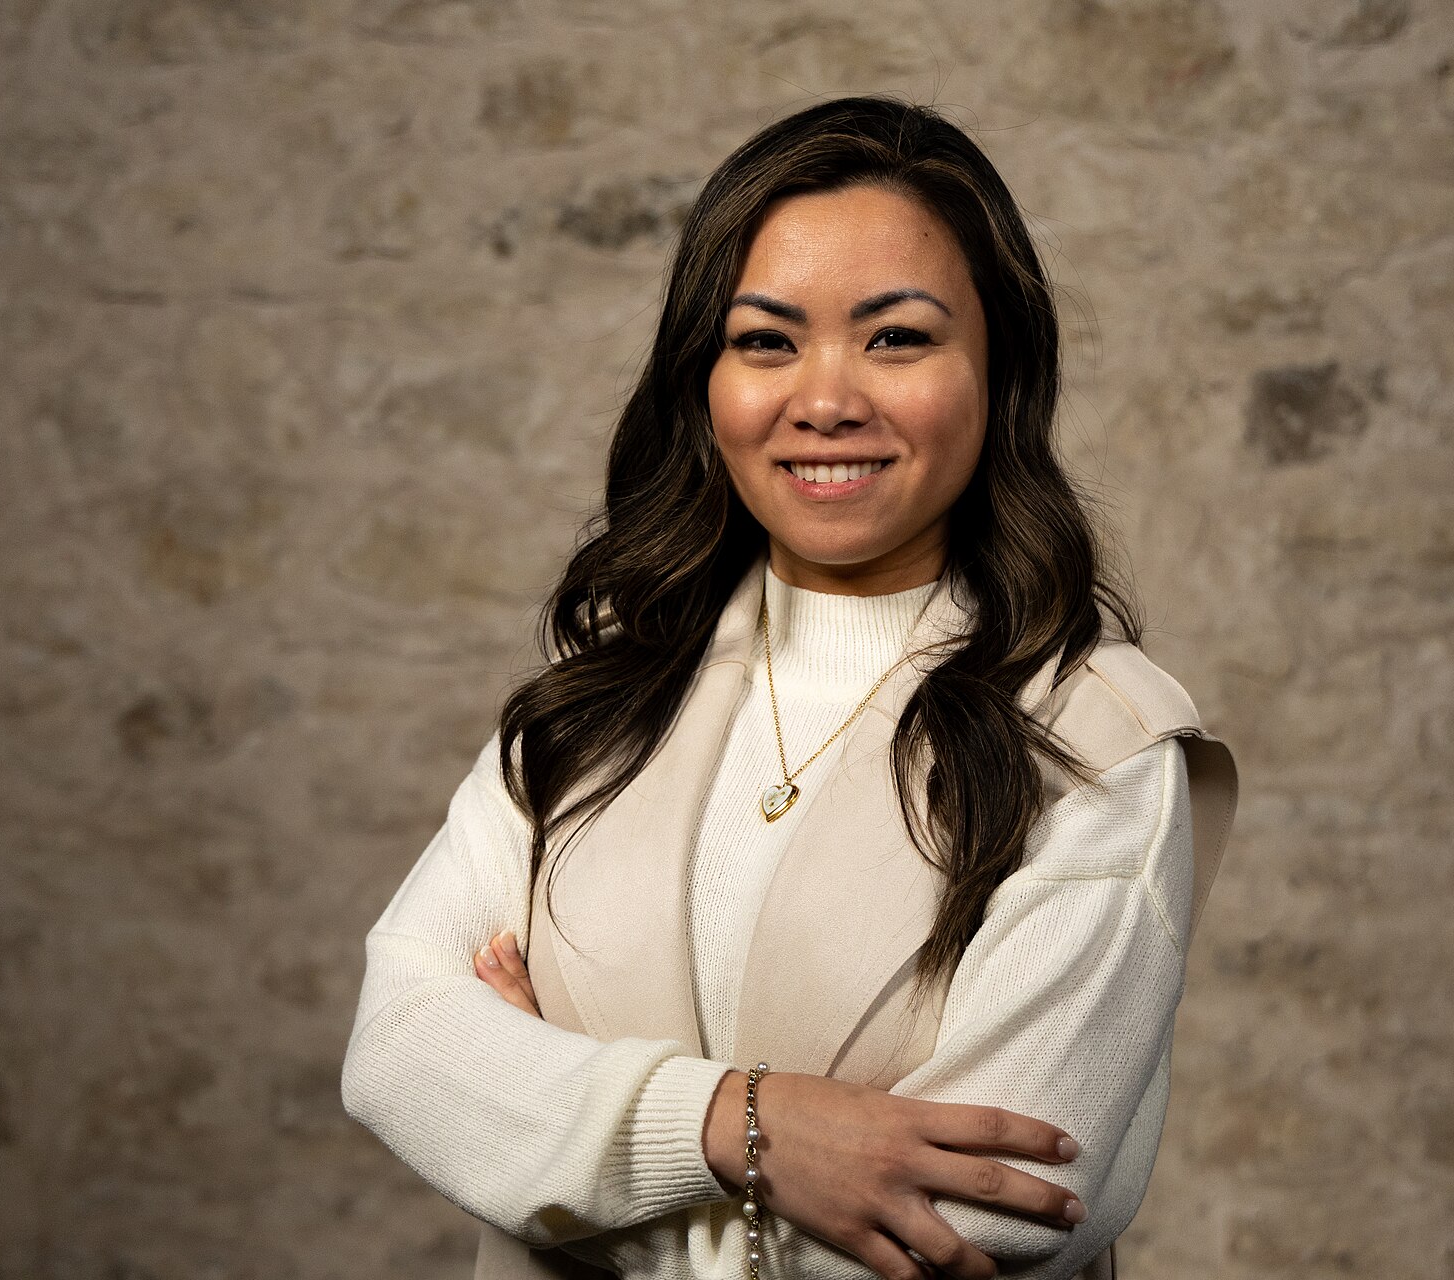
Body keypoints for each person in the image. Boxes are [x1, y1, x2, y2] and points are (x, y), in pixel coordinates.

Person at [341, 95, 1239, 1280]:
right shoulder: (598, 701)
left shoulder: (1099, 744)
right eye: (767, 340)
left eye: (896, 338)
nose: (825, 400)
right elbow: (398, 1044)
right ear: (704, 379)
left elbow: (999, 1212)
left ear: (1000, 370)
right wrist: (744, 1126)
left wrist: (545, 1134)